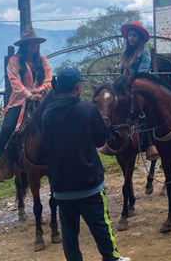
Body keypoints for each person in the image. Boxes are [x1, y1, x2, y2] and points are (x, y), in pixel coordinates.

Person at [42, 68, 130, 261]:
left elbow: (46, 144)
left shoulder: (47, 114)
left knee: (69, 232)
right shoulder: (88, 110)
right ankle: (111, 258)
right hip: (89, 182)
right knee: (101, 224)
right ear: (78, 86)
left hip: (61, 186)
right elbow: (100, 141)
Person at [0, 28, 52, 182]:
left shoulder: (43, 60)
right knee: (7, 129)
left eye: (36, 43)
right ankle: (3, 165)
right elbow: (15, 82)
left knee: (60, 122)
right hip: (19, 101)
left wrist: (40, 92)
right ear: (24, 45)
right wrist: (29, 95)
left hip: (41, 98)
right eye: (31, 43)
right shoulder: (14, 61)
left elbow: (48, 79)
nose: (34, 46)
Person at [98, 21, 159, 161]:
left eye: (134, 36)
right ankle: (110, 141)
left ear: (140, 38)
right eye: (130, 35)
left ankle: (149, 144)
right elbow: (121, 72)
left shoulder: (144, 53)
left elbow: (142, 73)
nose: (131, 38)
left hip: (139, 87)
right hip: (124, 87)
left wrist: (129, 82)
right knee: (114, 107)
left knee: (144, 112)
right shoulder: (126, 53)